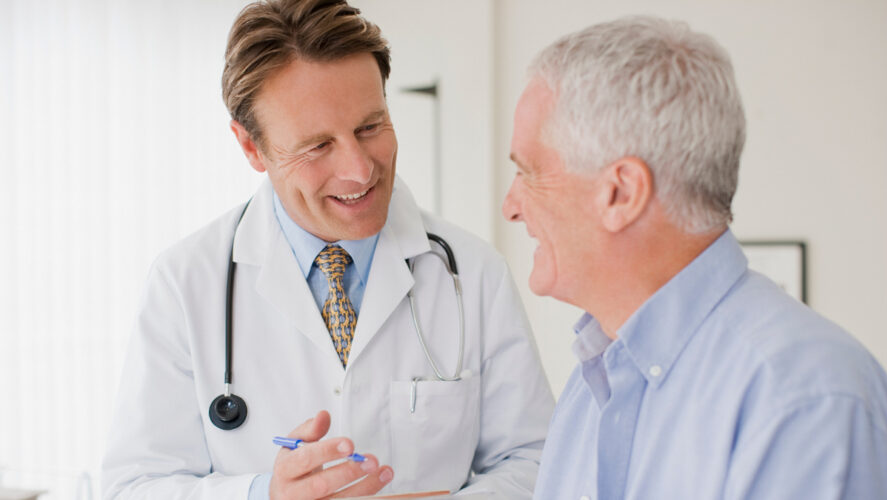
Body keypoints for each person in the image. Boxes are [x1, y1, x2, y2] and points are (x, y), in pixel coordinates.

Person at [102, 1, 554, 498]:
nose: (360, 170)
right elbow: (134, 486)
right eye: (318, 146)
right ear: (251, 147)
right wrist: (263, 494)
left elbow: (537, 460)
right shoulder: (185, 283)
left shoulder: (472, 273)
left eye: (369, 127)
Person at [502, 15, 887, 500]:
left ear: (620, 193)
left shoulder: (807, 399)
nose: (511, 206)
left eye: (529, 173)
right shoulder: (594, 384)